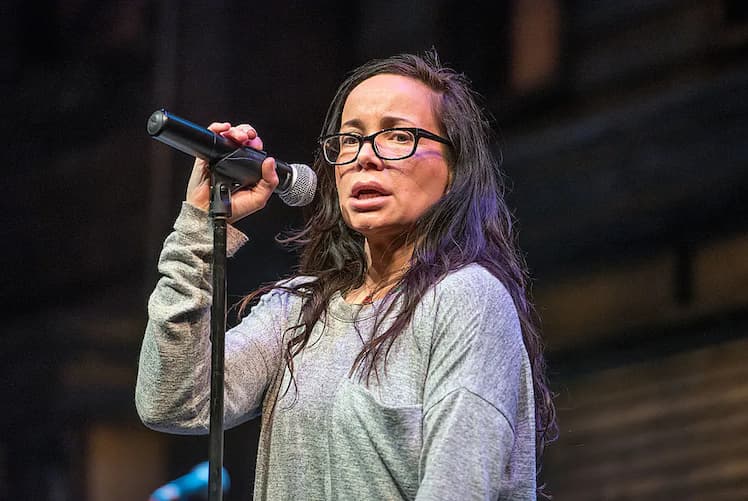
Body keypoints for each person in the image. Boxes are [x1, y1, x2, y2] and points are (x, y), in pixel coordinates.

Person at [136, 50, 557, 500]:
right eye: (350, 139)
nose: (365, 158)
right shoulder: (300, 310)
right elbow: (174, 402)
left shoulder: (467, 298)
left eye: (398, 136)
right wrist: (199, 227)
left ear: (455, 171)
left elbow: (460, 488)